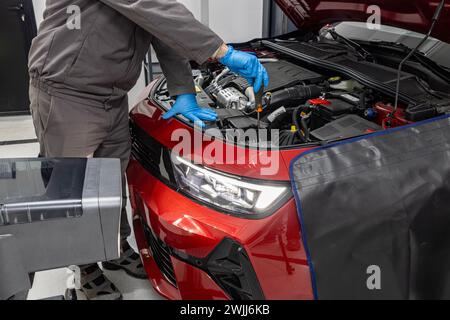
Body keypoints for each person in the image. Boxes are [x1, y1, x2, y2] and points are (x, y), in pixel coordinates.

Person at [28, 0, 269, 300]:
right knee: (75, 188)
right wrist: (223, 52)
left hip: (111, 94)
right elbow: (153, 7)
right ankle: (85, 266)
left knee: (111, 179)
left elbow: (163, 29)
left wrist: (184, 91)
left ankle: (114, 248)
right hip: (67, 91)